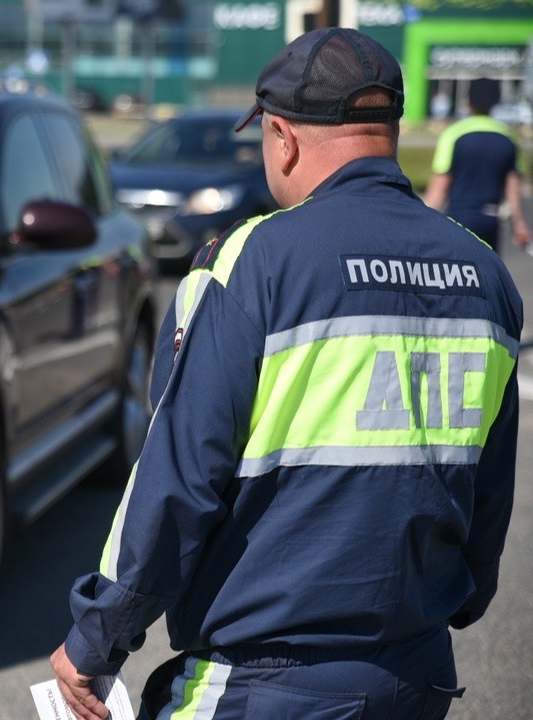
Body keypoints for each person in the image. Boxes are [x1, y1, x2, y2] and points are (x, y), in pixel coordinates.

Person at [50, 27, 523, 720]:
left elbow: (176, 477)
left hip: (263, 684)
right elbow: (490, 480)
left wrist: (97, 637)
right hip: (415, 677)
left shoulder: (251, 264)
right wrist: (466, 594)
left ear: (284, 137)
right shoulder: (486, 274)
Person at [425, 77, 529, 253]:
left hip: (459, 217)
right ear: (496, 102)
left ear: (468, 101)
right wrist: (519, 225)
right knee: (488, 274)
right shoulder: (508, 137)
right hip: (491, 219)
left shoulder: (453, 134)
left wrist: (423, 222)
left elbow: (440, 187)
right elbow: (512, 188)